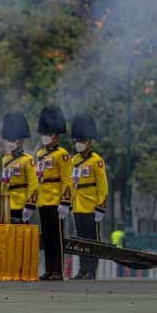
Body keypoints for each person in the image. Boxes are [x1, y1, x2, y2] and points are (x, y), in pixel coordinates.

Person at [70, 113, 108, 280]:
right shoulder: (74, 160)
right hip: (78, 206)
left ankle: (91, 270)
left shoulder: (96, 161)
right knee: (81, 241)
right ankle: (82, 269)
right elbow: (71, 184)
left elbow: (103, 186)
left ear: (89, 142)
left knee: (92, 241)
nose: (79, 143)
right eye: (77, 140)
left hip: (92, 207)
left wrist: (101, 206)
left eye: (82, 140)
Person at [35, 105, 72, 281]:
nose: (44, 137)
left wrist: (65, 202)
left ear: (55, 136)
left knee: (57, 238)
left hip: (56, 202)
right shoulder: (40, 154)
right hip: (43, 201)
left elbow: (67, 180)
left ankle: (58, 270)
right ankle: (49, 269)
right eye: (44, 133)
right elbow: (38, 179)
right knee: (47, 239)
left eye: (48, 134)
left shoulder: (62, 155)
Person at [0, 112, 38, 224]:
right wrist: (2, 203)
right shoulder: (5, 160)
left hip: (21, 205)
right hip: (7, 205)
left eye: (13, 140)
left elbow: (34, 184)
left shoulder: (27, 160)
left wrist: (30, 205)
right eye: (9, 139)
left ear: (21, 141)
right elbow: (4, 184)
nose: (10, 142)